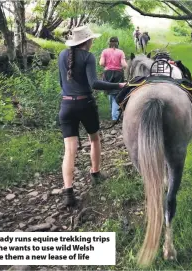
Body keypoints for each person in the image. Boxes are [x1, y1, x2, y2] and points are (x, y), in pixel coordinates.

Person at [58, 25, 126, 207]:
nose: (92, 41)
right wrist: (119, 85)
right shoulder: (88, 57)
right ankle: (95, 173)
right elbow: (94, 83)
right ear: (87, 41)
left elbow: (61, 83)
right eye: (91, 39)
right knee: (94, 139)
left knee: (69, 149)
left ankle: (68, 192)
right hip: (85, 104)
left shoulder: (62, 55)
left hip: (66, 105)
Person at [99, 36, 128, 122]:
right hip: (118, 74)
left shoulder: (105, 51)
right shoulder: (120, 52)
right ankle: (115, 116)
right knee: (116, 93)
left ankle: (114, 113)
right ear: (117, 43)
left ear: (109, 43)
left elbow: (101, 63)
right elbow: (124, 65)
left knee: (110, 92)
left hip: (107, 73)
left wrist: (107, 65)